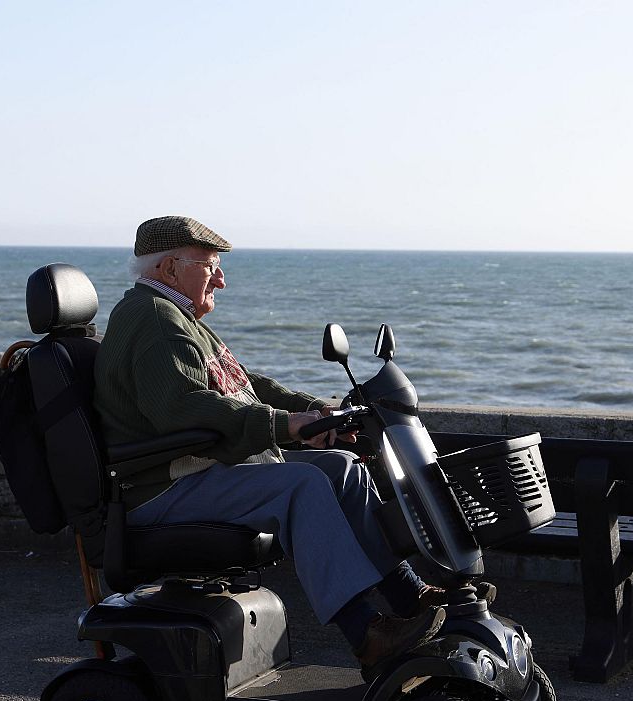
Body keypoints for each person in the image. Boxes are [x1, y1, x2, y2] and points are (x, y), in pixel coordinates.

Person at [93, 215, 444, 669]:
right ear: (169, 268)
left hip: (198, 471)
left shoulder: (174, 315)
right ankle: (366, 633)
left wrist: (317, 413)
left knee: (340, 467)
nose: (221, 278)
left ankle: (407, 593)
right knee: (300, 486)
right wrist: (284, 426)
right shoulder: (155, 319)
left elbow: (242, 384)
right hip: (164, 486)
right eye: (209, 264)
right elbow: (183, 408)